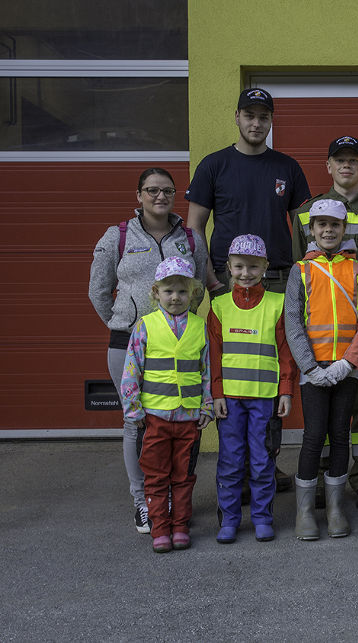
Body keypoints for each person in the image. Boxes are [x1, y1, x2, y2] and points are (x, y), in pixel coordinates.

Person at [187, 86, 311, 493]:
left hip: (277, 279)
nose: (256, 123)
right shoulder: (214, 166)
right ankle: (236, 470)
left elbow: (305, 230)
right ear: (237, 117)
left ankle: (266, 466)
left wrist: (299, 278)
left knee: (269, 374)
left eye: (264, 117)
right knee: (230, 373)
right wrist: (210, 279)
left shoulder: (288, 168)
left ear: (271, 121)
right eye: (249, 115)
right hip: (228, 281)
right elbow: (194, 227)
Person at [89, 167, 208, 535]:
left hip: (176, 340)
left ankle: (169, 498)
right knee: (136, 421)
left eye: (168, 191)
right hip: (129, 340)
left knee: (173, 423)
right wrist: (127, 320)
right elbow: (98, 290)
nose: (160, 197)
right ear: (138, 195)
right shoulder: (118, 236)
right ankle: (143, 500)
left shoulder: (189, 237)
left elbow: (199, 285)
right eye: (152, 190)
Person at [292, 135, 358, 509]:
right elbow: (297, 270)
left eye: (354, 159)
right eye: (339, 159)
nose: (346, 165)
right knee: (323, 409)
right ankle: (319, 477)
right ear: (328, 166)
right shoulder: (305, 213)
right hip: (319, 335)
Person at [285, 199, 358, 540]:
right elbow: (292, 321)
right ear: (311, 230)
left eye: (334, 225)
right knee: (313, 436)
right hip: (313, 371)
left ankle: (337, 508)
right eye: (320, 224)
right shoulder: (301, 270)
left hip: (346, 370)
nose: (327, 230)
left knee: (340, 433)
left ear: (344, 229)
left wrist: (347, 363)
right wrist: (310, 367)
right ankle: (305, 511)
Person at [119, 257, 213, 553]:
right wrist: (133, 410)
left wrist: (207, 405)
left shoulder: (199, 327)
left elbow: (206, 370)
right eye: (169, 291)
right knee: (157, 476)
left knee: (183, 476)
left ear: (193, 294)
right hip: (155, 417)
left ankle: (181, 525)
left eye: (182, 292)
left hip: (188, 418)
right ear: (155, 292)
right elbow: (131, 370)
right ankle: (160, 527)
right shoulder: (145, 326)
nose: (176, 297)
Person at [209, 235, 297, 544]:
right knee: (231, 463)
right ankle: (230, 520)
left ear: (265, 267)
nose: (246, 273)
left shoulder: (278, 303)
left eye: (253, 266)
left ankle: (262, 518)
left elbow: (286, 351)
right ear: (229, 268)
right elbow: (214, 356)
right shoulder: (218, 306)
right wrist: (216, 394)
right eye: (239, 266)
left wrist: (286, 390)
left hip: (265, 399)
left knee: (263, 462)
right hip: (230, 401)